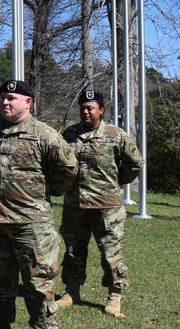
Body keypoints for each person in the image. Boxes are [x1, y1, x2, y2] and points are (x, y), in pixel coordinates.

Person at [0, 80, 77, 329]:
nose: (6, 102)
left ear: (28, 103)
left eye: (12, 98)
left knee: (37, 279)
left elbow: (67, 168)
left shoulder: (44, 134)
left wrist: (46, 192)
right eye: (4, 98)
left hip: (31, 222)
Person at [57, 89, 143, 317]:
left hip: (106, 206)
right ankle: (71, 291)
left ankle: (115, 296)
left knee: (110, 253)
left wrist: (115, 183)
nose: (85, 111)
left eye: (90, 108)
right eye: (82, 108)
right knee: (74, 250)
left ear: (101, 111)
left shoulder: (116, 135)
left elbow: (134, 163)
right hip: (76, 205)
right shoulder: (71, 134)